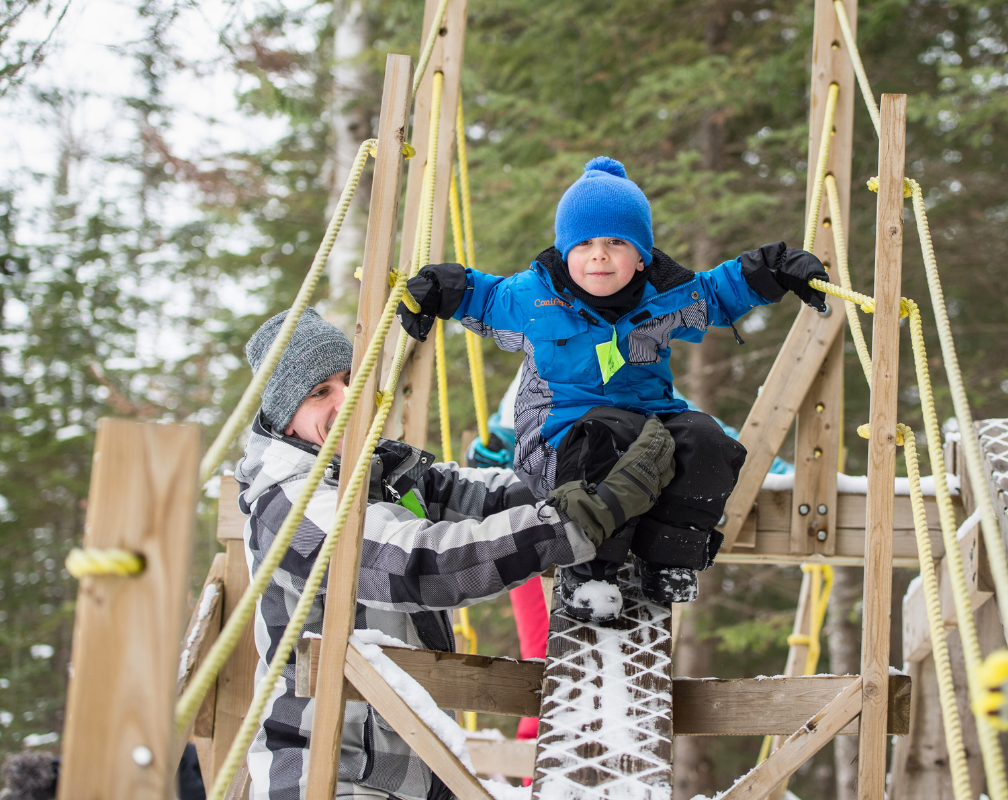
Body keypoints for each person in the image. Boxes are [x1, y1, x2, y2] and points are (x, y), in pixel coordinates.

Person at [233, 307, 676, 800]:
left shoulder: (378, 471)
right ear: (284, 420)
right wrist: (584, 517)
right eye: (320, 392)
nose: (347, 400)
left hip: (418, 768)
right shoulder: (291, 503)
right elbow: (419, 565)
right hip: (334, 777)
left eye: (350, 380)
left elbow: (485, 496)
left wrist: (581, 479)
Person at [398, 156, 829, 622]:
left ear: (641, 256)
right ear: (565, 252)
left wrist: (777, 269)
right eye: (584, 243)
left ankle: (667, 559)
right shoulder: (532, 296)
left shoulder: (667, 297)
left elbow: (722, 290)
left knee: (707, 440)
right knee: (607, 433)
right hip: (561, 447)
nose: (598, 255)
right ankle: (590, 570)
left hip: (647, 431)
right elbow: (478, 295)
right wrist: (435, 288)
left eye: (616, 242)